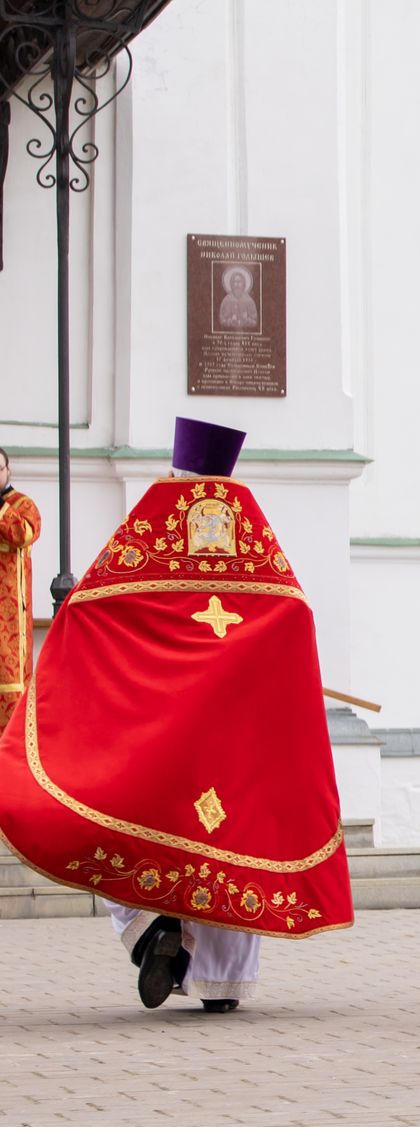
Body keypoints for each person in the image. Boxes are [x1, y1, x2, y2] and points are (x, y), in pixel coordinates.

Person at [0, 417, 353, 1011]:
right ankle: (222, 984)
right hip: (234, 740)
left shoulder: (154, 528)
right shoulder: (255, 543)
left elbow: (91, 610)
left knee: (121, 816)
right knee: (232, 837)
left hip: (164, 736)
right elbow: (293, 621)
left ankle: (153, 930)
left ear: (178, 470)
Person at [0, 446, 41, 734]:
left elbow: (23, 533)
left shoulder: (21, 504)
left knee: (9, 677)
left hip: (8, 614)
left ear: (8, 470)